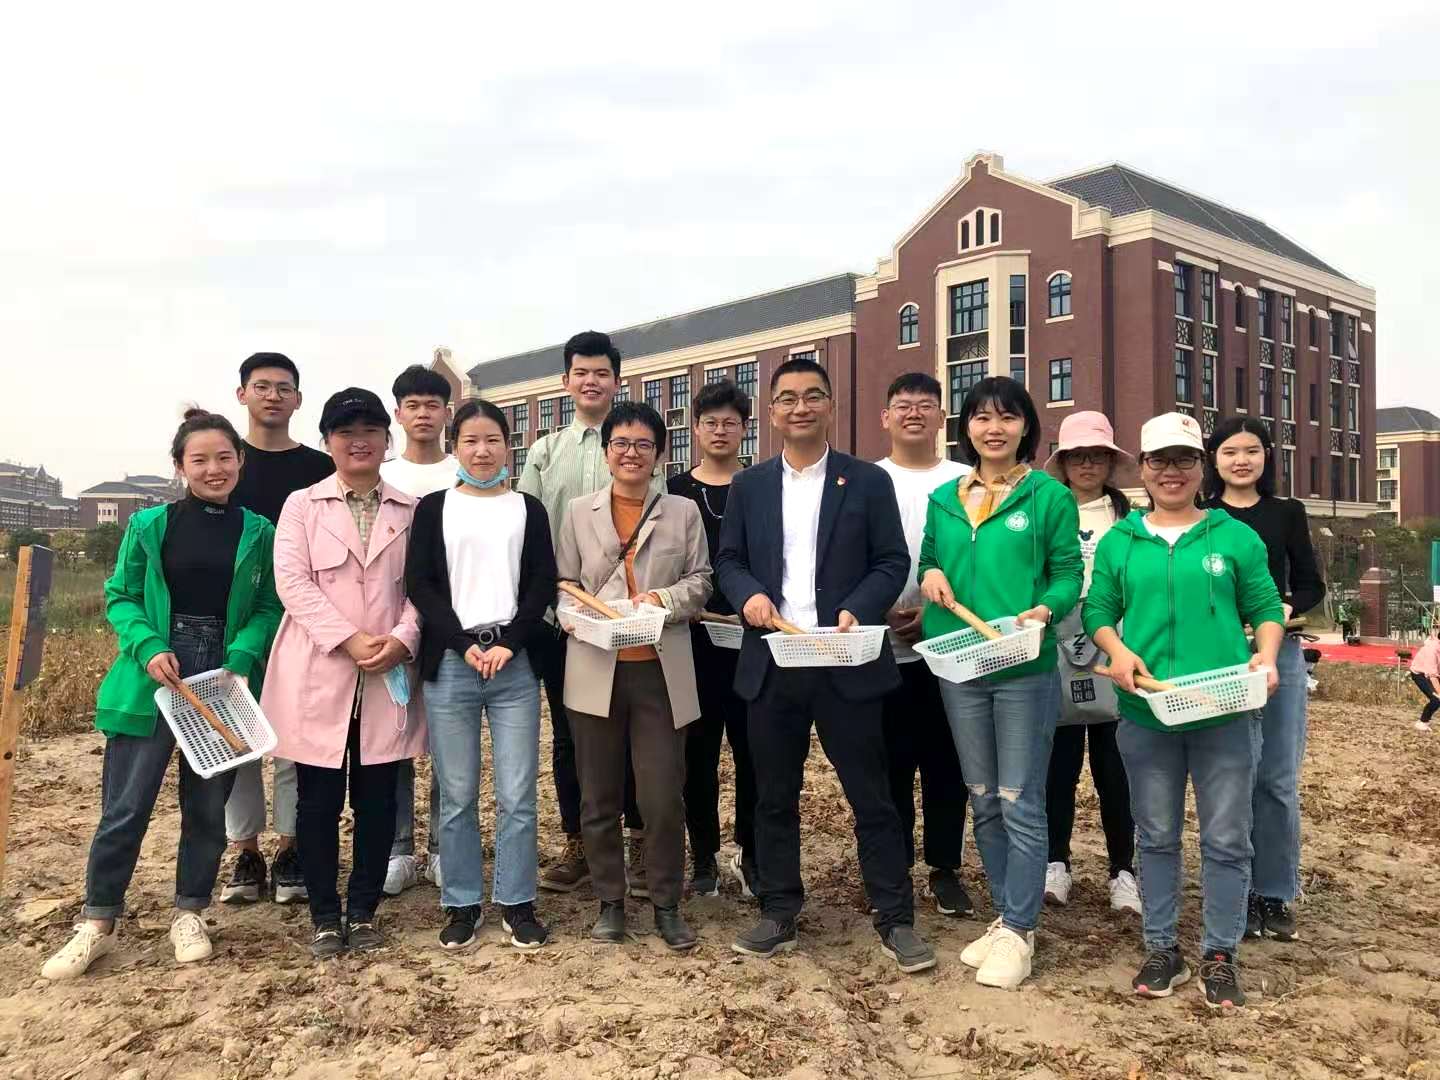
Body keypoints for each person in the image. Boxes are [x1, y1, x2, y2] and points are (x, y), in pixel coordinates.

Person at [43, 409, 283, 980]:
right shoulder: (149, 525)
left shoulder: (258, 531)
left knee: (206, 807)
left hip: (221, 678)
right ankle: (98, 921)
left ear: (240, 461)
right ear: (180, 466)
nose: (214, 468)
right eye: (199, 459)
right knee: (126, 806)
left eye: (224, 457)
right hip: (153, 674)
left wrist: (242, 654)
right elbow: (121, 595)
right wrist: (148, 645)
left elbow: (270, 604)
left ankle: (190, 912)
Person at [716, 357, 936, 975]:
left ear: (831, 405)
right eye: (787, 398)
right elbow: (729, 559)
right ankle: (779, 909)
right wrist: (747, 595)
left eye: (813, 396)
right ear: (772, 411)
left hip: (845, 658)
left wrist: (857, 608)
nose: (801, 407)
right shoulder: (750, 486)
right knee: (773, 795)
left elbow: (892, 562)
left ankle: (894, 917)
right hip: (775, 658)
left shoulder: (866, 481)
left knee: (873, 795)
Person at [1086, 411, 1284, 1011]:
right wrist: (1118, 651)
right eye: (1159, 460)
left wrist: (1267, 654)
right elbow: (1098, 610)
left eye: (1184, 460)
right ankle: (1161, 946)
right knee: (1156, 836)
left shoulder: (1234, 537)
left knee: (1226, 838)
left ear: (1201, 468)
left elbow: (1265, 605)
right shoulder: (1121, 541)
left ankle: (1220, 953)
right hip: (1147, 712)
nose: (1171, 471)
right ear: (1143, 468)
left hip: (1223, 711)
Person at [918, 375, 1082, 990]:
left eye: (1008, 417)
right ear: (966, 427)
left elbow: (1068, 573)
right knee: (982, 794)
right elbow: (929, 557)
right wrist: (930, 574)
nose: (994, 428)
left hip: (1022, 665)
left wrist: (1046, 609)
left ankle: (1020, 928)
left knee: (1020, 797)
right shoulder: (945, 497)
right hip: (960, 663)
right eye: (982, 417)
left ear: (1025, 427)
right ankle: (1007, 917)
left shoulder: (1048, 497)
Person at [261, 388, 424, 958]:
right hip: (321, 668)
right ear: (328, 441)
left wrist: (404, 638)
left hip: (386, 671)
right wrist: (348, 638)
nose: (359, 441)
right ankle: (325, 916)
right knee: (318, 801)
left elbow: (424, 587)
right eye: (345, 432)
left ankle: (364, 910)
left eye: (371, 430)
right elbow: (293, 583)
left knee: (379, 801)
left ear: (386, 438)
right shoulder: (302, 505)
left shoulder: (411, 509)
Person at [554, 401, 712, 950]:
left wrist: (662, 600)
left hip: (661, 672)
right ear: (606, 453)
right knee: (598, 796)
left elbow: (701, 581)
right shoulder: (578, 512)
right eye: (621, 443)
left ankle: (666, 901)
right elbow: (563, 584)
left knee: (663, 796)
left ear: (659, 454)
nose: (631, 453)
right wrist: (574, 617)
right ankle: (610, 901)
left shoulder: (682, 512)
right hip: (594, 668)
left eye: (644, 444)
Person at [405, 399, 556, 950]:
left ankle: (517, 901)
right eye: (470, 440)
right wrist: (463, 644)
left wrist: (509, 644)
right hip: (453, 663)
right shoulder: (434, 508)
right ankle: (462, 901)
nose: (482, 450)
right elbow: (420, 585)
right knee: (458, 792)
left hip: (514, 664)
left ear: (508, 446)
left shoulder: (527, 508)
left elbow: (541, 583)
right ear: (456, 447)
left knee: (517, 792)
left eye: (493, 439)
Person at [518, 331, 661, 895]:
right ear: (566, 381)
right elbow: (528, 528)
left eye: (602, 372)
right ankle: (579, 842)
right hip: (565, 620)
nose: (591, 381)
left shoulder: (637, 442)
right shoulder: (545, 452)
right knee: (571, 734)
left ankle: (639, 841)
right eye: (581, 372)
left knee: (635, 732)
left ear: (617, 380)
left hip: (632, 619)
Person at [1202, 416, 1325, 943]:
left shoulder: (1287, 512)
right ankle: (1237, 889)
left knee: (1275, 779)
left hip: (1279, 655)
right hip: (1220, 656)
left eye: (1251, 450)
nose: (1241, 460)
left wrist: (1285, 606)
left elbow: (1311, 582)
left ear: (1267, 456)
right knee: (1230, 777)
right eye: (1230, 451)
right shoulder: (1203, 515)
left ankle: (1273, 891)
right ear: (1214, 459)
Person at [222, 352, 335, 907]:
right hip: (232, 622)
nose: (272, 396)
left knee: (296, 738)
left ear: (298, 399)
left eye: (283, 388)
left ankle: (291, 848)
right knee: (235, 738)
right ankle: (245, 851)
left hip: (300, 620)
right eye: (261, 386)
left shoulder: (318, 467)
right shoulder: (225, 462)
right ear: (241, 393)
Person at [873, 373, 974, 919]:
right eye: (903, 405)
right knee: (888, 764)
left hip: (949, 646)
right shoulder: (867, 480)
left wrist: (934, 616)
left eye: (926, 405)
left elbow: (977, 564)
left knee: (945, 763)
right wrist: (877, 609)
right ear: (885, 417)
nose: (914, 413)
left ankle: (944, 867)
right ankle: (893, 868)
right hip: (881, 646)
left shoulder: (965, 480)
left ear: (942, 417)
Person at [1039, 411, 1141, 915]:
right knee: (1057, 767)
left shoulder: (1129, 518)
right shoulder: (1046, 509)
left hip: (1116, 646)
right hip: (1055, 643)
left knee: (1116, 769)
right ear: (1063, 462)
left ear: (1110, 461)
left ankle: (1123, 870)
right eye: (1077, 456)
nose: (1087, 464)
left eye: (1097, 455)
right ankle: (1055, 862)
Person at [667, 379, 760, 898]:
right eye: (710, 422)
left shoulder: (763, 484)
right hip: (693, 638)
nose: (720, 431)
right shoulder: (674, 492)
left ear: (744, 428)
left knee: (752, 751)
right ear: (695, 428)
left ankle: (750, 853)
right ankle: (703, 856)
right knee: (697, 754)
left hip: (751, 636)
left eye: (730, 422)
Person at [379, 364, 458, 897]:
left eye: (433, 405)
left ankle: (443, 849)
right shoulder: (385, 475)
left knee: (449, 740)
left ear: (447, 412)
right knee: (396, 737)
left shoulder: (464, 470)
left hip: (452, 623)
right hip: (392, 623)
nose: (423, 414)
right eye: (413, 405)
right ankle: (399, 849)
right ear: (398, 413)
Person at [1411, 627, 1440, 733]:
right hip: (1420, 674)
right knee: (1437, 699)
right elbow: (1432, 677)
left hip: (1434, 673)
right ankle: (1422, 722)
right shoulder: (1432, 651)